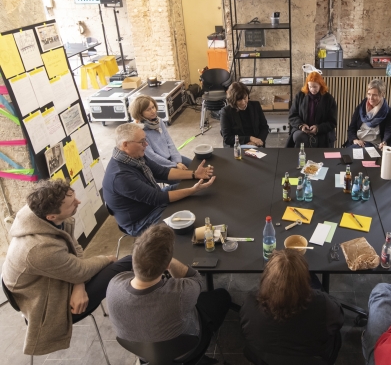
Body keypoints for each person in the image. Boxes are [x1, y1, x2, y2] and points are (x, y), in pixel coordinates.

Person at [2, 180, 132, 356]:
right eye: (72, 204)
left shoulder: (39, 213)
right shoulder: (39, 249)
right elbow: (80, 269)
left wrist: (78, 284)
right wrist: (106, 258)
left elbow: (74, 248)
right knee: (125, 262)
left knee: (113, 266)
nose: (78, 202)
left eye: (74, 196)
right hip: (45, 306)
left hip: (54, 280)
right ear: (51, 217)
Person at [106, 224, 231, 363]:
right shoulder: (180, 294)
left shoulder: (113, 285)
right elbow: (195, 278)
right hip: (186, 351)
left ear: (133, 258)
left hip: (144, 355)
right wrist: (167, 259)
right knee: (222, 296)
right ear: (166, 265)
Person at [103, 122, 216, 236]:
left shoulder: (134, 156)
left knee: (194, 190)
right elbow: (157, 198)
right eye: (142, 141)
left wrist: (194, 174)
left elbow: (162, 172)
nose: (146, 144)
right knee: (191, 218)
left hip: (153, 199)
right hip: (142, 220)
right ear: (125, 145)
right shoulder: (120, 176)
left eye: (145, 139)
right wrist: (192, 190)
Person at [240, 249, 344, 365]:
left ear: (266, 277)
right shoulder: (323, 304)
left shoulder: (250, 302)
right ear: (305, 280)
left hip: (264, 359)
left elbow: (245, 329)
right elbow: (338, 321)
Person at [130, 95, 192, 169]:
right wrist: (174, 165)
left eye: (153, 107)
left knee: (195, 166)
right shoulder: (139, 131)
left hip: (170, 159)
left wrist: (177, 161)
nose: (153, 111)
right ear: (140, 113)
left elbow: (169, 141)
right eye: (148, 110)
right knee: (187, 175)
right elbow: (152, 156)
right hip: (158, 165)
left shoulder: (159, 121)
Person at [287, 72, 338, 148]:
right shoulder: (300, 96)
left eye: (315, 87)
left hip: (322, 131)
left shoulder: (328, 99)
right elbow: (292, 115)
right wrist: (301, 125)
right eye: (310, 86)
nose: (312, 89)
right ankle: (301, 155)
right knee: (300, 137)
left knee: (322, 142)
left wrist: (318, 128)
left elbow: (332, 122)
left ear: (320, 85)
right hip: (301, 129)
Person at [346, 79, 391, 148]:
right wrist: (354, 140)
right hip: (358, 142)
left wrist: (384, 142)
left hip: (375, 144)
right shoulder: (361, 107)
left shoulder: (389, 111)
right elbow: (352, 128)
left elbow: (389, 132)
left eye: (374, 95)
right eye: (369, 94)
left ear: (382, 94)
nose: (371, 98)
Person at [220, 82, 269, 148]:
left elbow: (264, 127)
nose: (243, 102)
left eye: (245, 98)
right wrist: (250, 138)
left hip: (255, 144)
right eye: (239, 100)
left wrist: (257, 141)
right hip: (236, 146)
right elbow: (227, 138)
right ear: (233, 100)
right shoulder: (226, 112)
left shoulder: (255, 105)